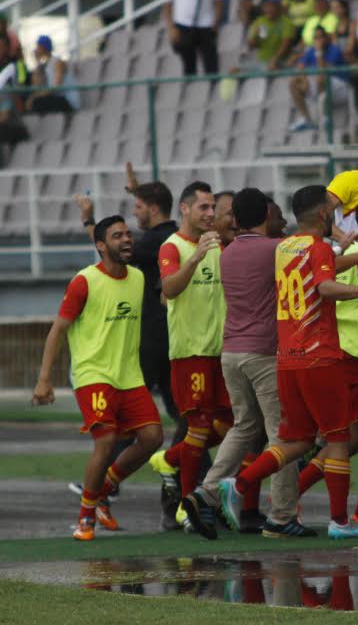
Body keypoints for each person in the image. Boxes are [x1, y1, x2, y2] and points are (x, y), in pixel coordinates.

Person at [216, 185, 358, 539]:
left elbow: (319, 268)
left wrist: (354, 259)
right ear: (324, 215)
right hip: (319, 357)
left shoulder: (286, 248)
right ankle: (340, 522)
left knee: (296, 439)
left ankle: (239, 484)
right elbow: (324, 285)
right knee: (339, 439)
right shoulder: (318, 246)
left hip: (287, 359)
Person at [181, 189, 307, 540]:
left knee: (243, 426)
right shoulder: (275, 251)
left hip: (231, 351)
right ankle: (282, 517)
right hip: (264, 352)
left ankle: (204, 492)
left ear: (234, 218)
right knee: (282, 434)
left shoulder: (228, 252)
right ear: (267, 216)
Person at [32, 216, 164, 541]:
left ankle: (103, 491)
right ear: (101, 246)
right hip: (93, 374)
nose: (127, 239)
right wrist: (44, 379)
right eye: (118, 236)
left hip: (129, 376)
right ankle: (85, 519)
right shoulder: (84, 281)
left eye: (128, 234)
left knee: (152, 438)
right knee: (105, 442)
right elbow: (58, 329)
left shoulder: (138, 277)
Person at [72, 173, 182, 524]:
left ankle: (109, 487)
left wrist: (89, 219)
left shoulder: (151, 243)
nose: (132, 220)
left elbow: (106, 242)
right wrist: (138, 190)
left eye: (137, 207)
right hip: (172, 345)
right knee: (181, 424)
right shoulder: (175, 238)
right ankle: (178, 489)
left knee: (144, 427)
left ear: (152, 209)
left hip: (149, 346)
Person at [292, 196, 358, 531]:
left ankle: (288, 497)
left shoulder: (343, 256)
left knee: (351, 439)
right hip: (349, 357)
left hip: (356, 357)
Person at [148, 182, 232, 529]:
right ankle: (186, 505)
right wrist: (196, 256)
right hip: (190, 351)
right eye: (203, 208)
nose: (210, 214)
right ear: (184, 209)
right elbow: (168, 288)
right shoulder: (172, 247)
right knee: (197, 425)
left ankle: (168, 460)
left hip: (220, 350)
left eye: (213, 208)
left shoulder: (218, 245)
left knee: (230, 425)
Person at [287, 26, 348, 133]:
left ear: (327, 38)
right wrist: (303, 77)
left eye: (321, 37)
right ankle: (307, 119)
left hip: (341, 88)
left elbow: (323, 70)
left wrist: (319, 52)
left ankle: (325, 117)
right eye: (316, 38)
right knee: (293, 83)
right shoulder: (311, 50)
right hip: (323, 87)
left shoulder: (334, 50)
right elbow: (299, 67)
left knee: (321, 77)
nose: (318, 40)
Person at [163, 0, 222, 76]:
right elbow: (167, 3)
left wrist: (216, 22)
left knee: (211, 65)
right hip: (183, 25)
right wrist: (171, 28)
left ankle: (212, 88)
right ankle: (191, 89)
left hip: (206, 25)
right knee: (189, 65)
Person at [25, 36, 79, 114]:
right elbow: (36, 86)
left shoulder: (57, 62)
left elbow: (57, 87)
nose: (36, 50)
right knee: (33, 102)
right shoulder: (45, 65)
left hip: (68, 101)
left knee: (37, 102)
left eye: (38, 47)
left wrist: (37, 96)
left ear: (43, 48)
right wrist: (37, 62)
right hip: (58, 98)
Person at [245, 0, 296, 70]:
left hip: (281, 60)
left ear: (278, 6)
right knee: (234, 71)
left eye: (270, 5)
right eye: (265, 6)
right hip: (262, 60)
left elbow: (285, 45)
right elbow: (256, 45)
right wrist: (254, 37)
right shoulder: (261, 22)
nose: (267, 9)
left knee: (271, 67)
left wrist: (275, 59)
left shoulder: (286, 22)